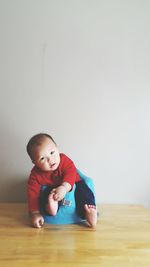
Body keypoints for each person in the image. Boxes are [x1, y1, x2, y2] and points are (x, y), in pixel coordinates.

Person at [26, 133, 97, 228]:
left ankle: (88, 211)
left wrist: (64, 187)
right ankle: (50, 207)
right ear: (34, 162)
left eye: (52, 153)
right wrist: (35, 213)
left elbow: (71, 173)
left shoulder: (64, 160)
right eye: (42, 158)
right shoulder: (35, 175)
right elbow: (33, 194)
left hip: (74, 182)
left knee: (84, 191)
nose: (50, 160)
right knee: (46, 195)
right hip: (52, 188)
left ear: (57, 148)